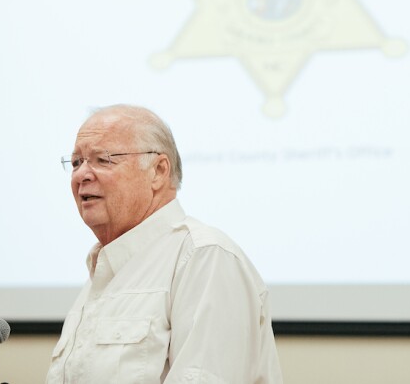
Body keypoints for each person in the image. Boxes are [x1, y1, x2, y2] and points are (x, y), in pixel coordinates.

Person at [46, 104, 283, 383]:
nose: (81, 175)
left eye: (103, 159)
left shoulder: (204, 258)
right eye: (76, 162)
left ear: (158, 171)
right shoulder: (102, 274)